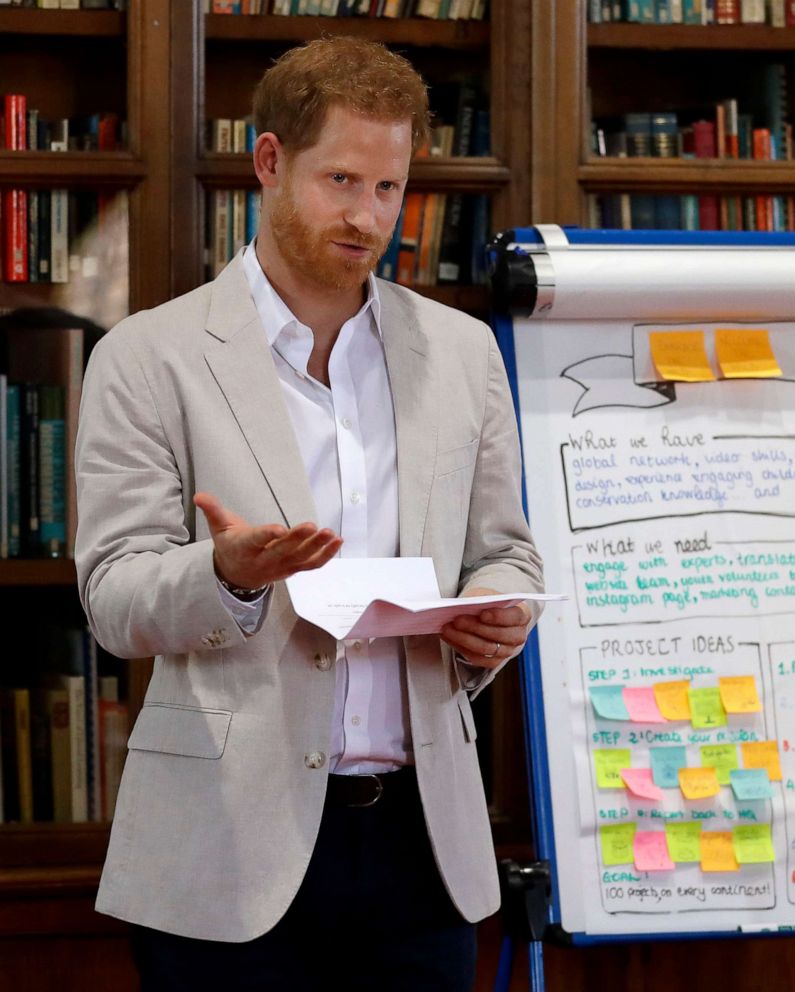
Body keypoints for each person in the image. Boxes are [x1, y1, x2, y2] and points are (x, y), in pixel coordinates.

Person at [75, 36, 544, 992]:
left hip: (423, 845)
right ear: (269, 161)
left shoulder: (459, 354)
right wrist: (228, 573)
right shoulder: (147, 355)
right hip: (222, 847)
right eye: (341, 179)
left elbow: (506, 551)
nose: (368, 216)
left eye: (388, 188)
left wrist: (496, 614)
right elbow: (113, 599)